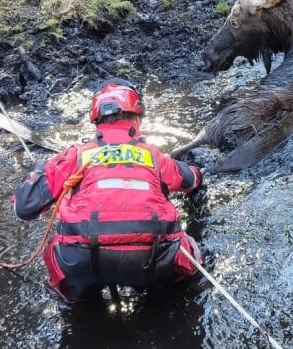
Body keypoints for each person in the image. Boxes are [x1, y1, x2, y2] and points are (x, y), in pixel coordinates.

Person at [13, 78, 203, 303]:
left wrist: (38, 171)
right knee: (190, 256)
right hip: (153, 258)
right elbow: (191, 181)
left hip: (80, 261)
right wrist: (197, 168)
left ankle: (81, 310)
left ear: (97, 121)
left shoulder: (76, 156)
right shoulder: (153, 156)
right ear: (136, 116)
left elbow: (24, 207)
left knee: (65, 273)